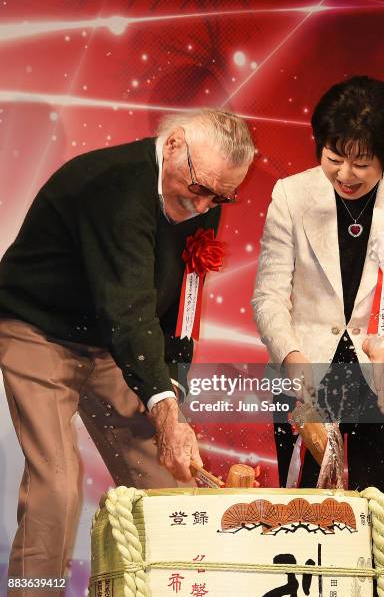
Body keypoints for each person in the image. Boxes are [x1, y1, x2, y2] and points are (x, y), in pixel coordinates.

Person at [0, 108, 254, 594]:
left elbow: (177, 304)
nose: (204, 206)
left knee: (172, 480)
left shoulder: (204, 192)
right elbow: (128, 307)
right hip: (38, 327)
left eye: (221, 196)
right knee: (57, 486)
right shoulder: (114, 186)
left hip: (113, 340)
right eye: (198, 188)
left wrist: (172, 394)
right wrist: (162, 409)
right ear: (174, 144)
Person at [252, 76, 384, 595]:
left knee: (380, 526)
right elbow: (268, 295)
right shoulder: (291, 194)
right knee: (300, 521)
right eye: (334, 157)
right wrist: (292, 358)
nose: (345, 174)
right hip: (306, 372)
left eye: (362, 163)